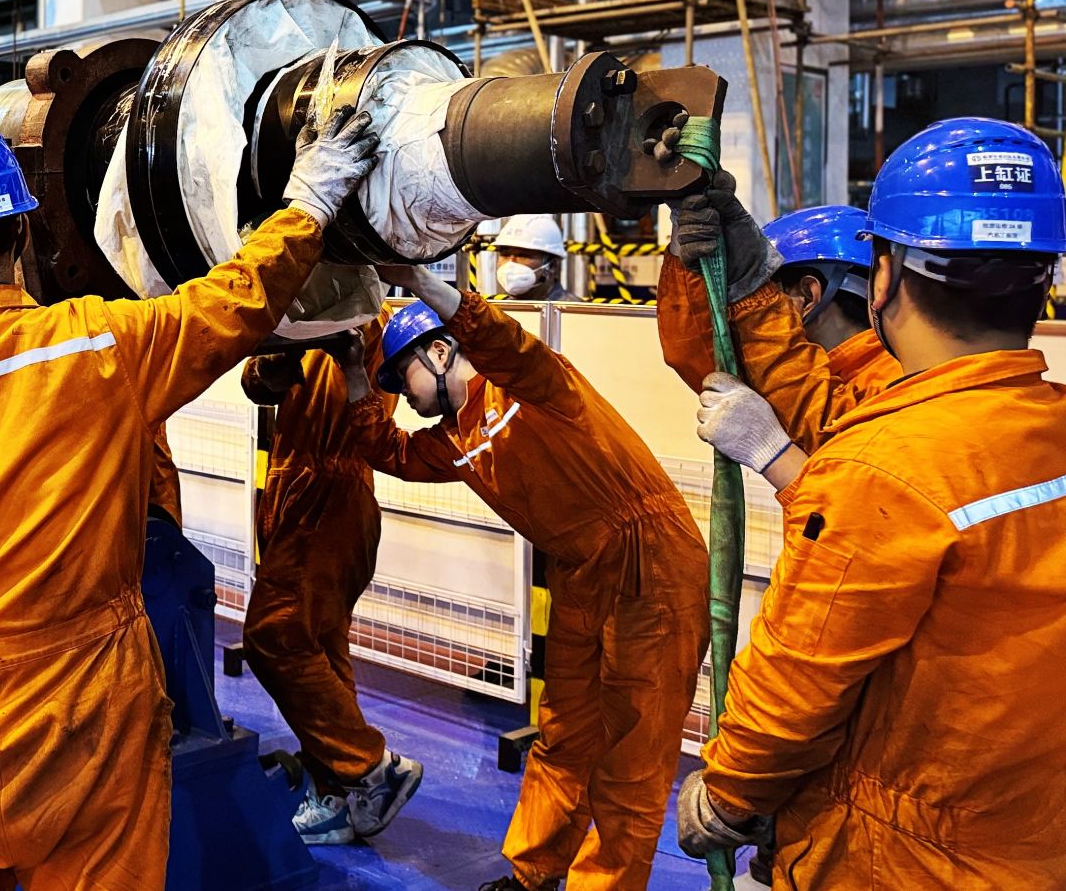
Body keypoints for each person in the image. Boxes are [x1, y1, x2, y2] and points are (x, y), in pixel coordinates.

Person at [0, 108, 378, 891]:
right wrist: (310, 205)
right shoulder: (102, 345)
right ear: (22, 233)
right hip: (88, 718)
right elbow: (232, 304)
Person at [675, 118, 1066, 888]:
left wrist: (725, 797)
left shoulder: (882, 464)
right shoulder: (1038, 424)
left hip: (902, 857)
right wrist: (749, 278)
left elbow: (799, 677)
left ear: (884, 276)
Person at [368, 264, 708, 891]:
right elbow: (387, 451)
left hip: (652, 564)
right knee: (564, 734)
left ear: (440, 352)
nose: (402, 396)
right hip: (579, 572)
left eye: (402, 376)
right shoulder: (456, 439)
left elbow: (501, 339)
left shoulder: (529, 383)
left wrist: (417, 278)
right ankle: (534, 874)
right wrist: (345, 361)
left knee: (631, 757)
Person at [238, 325, 423, 846]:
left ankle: (372, 768)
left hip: (326, 496)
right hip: (300, 492)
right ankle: (336, 797)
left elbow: (350, 401)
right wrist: (274, 365)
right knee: (321, 650)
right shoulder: (303, 319)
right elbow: (256, 384)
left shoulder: (358, 316)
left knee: (275, 636)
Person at [659, 193, 903, 494]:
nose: (765, 306)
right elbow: (693, 352)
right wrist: (685, 253)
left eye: (771, 293)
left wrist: (774, 455)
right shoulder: (828, 372)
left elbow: (830, 442)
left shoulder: (888, 381)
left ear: (808, 295)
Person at [491, 213, 575, 301]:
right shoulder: (498, 307)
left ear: (551, 266)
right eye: (505, 254)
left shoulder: (573, 308)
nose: (510, 263)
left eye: (523, 255)